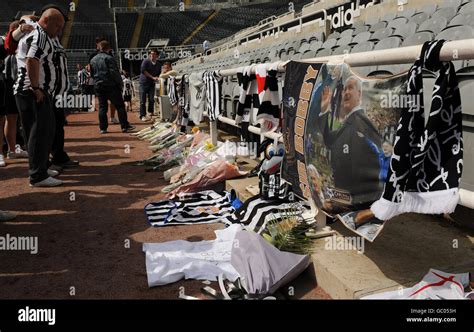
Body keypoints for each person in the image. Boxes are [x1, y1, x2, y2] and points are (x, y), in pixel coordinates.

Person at [14, 8, 66, 187]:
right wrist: (36, 87)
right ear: (47, 22)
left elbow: (26, 17)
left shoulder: (36, 29)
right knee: (41, 132)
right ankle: (38, 175)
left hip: (28, 91)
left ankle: (40, 168)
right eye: (57, 26)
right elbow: (32, 60)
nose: (59, 30)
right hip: (33, 92)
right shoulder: (40, 36)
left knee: (36, 132)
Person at [319, 76, 382, 206]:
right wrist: (324, 109)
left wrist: (355, 201)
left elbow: (373, 168)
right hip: (346, 201)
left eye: (351, 88)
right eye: (345, 89)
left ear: (359, 94)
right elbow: (329, 140)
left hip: (356, 204)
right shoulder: (349, 121)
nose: (346, 92)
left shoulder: (363, 123)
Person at [90, 40, 135, 134]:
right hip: (111, 86)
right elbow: (114, 72)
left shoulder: (93, 59)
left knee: (102, 107)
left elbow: (92, 74)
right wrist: (120, 83)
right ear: (108, 48)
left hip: (99, 85)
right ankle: (124, 126)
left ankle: (103, 128)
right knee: (120, 106)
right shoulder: (109, 58)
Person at [0, 21, 28, 168]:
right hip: (5, 83)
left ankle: (12, 149)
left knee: (13, 118)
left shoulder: (21, 43)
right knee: (2, 119)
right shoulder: (5, 42)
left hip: (13, 85)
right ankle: (1, 153)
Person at [139, 49, 160, 121]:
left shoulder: (158, 64)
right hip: (143, 83)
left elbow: (158, 73)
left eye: (153, 54)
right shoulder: (146, 61)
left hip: (151, 84)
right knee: (142, 100)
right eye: (150, 54)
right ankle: (142, 115)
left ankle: (150, 112)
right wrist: (152, 77)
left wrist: (157, 77)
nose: (151, 55)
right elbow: (143, 71)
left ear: (157, 55)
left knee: (151, 99)